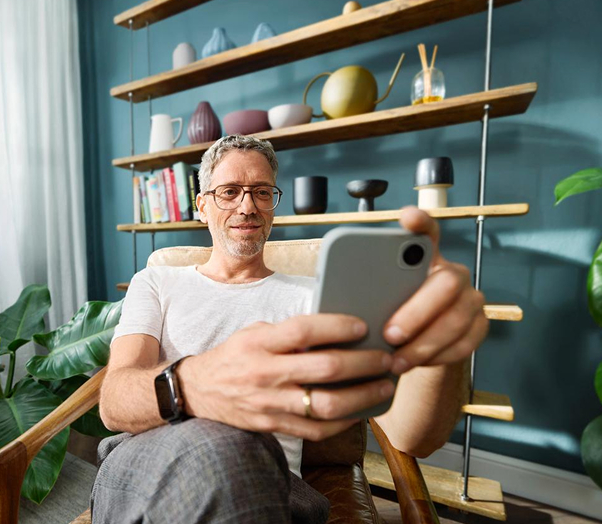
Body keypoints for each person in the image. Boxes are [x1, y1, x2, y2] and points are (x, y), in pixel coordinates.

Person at [92, 135, 488, 524]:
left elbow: (412, 435)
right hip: (149, 461)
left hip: (271, 483)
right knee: (225, 446)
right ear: (201, 206)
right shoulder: (157, 282)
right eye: (230, 192)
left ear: (273, 205)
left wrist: (443, 357)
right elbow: (114, 402)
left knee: (242, 456)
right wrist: (197, 386)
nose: (247, 206)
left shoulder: (316, 296)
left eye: (262, 193)